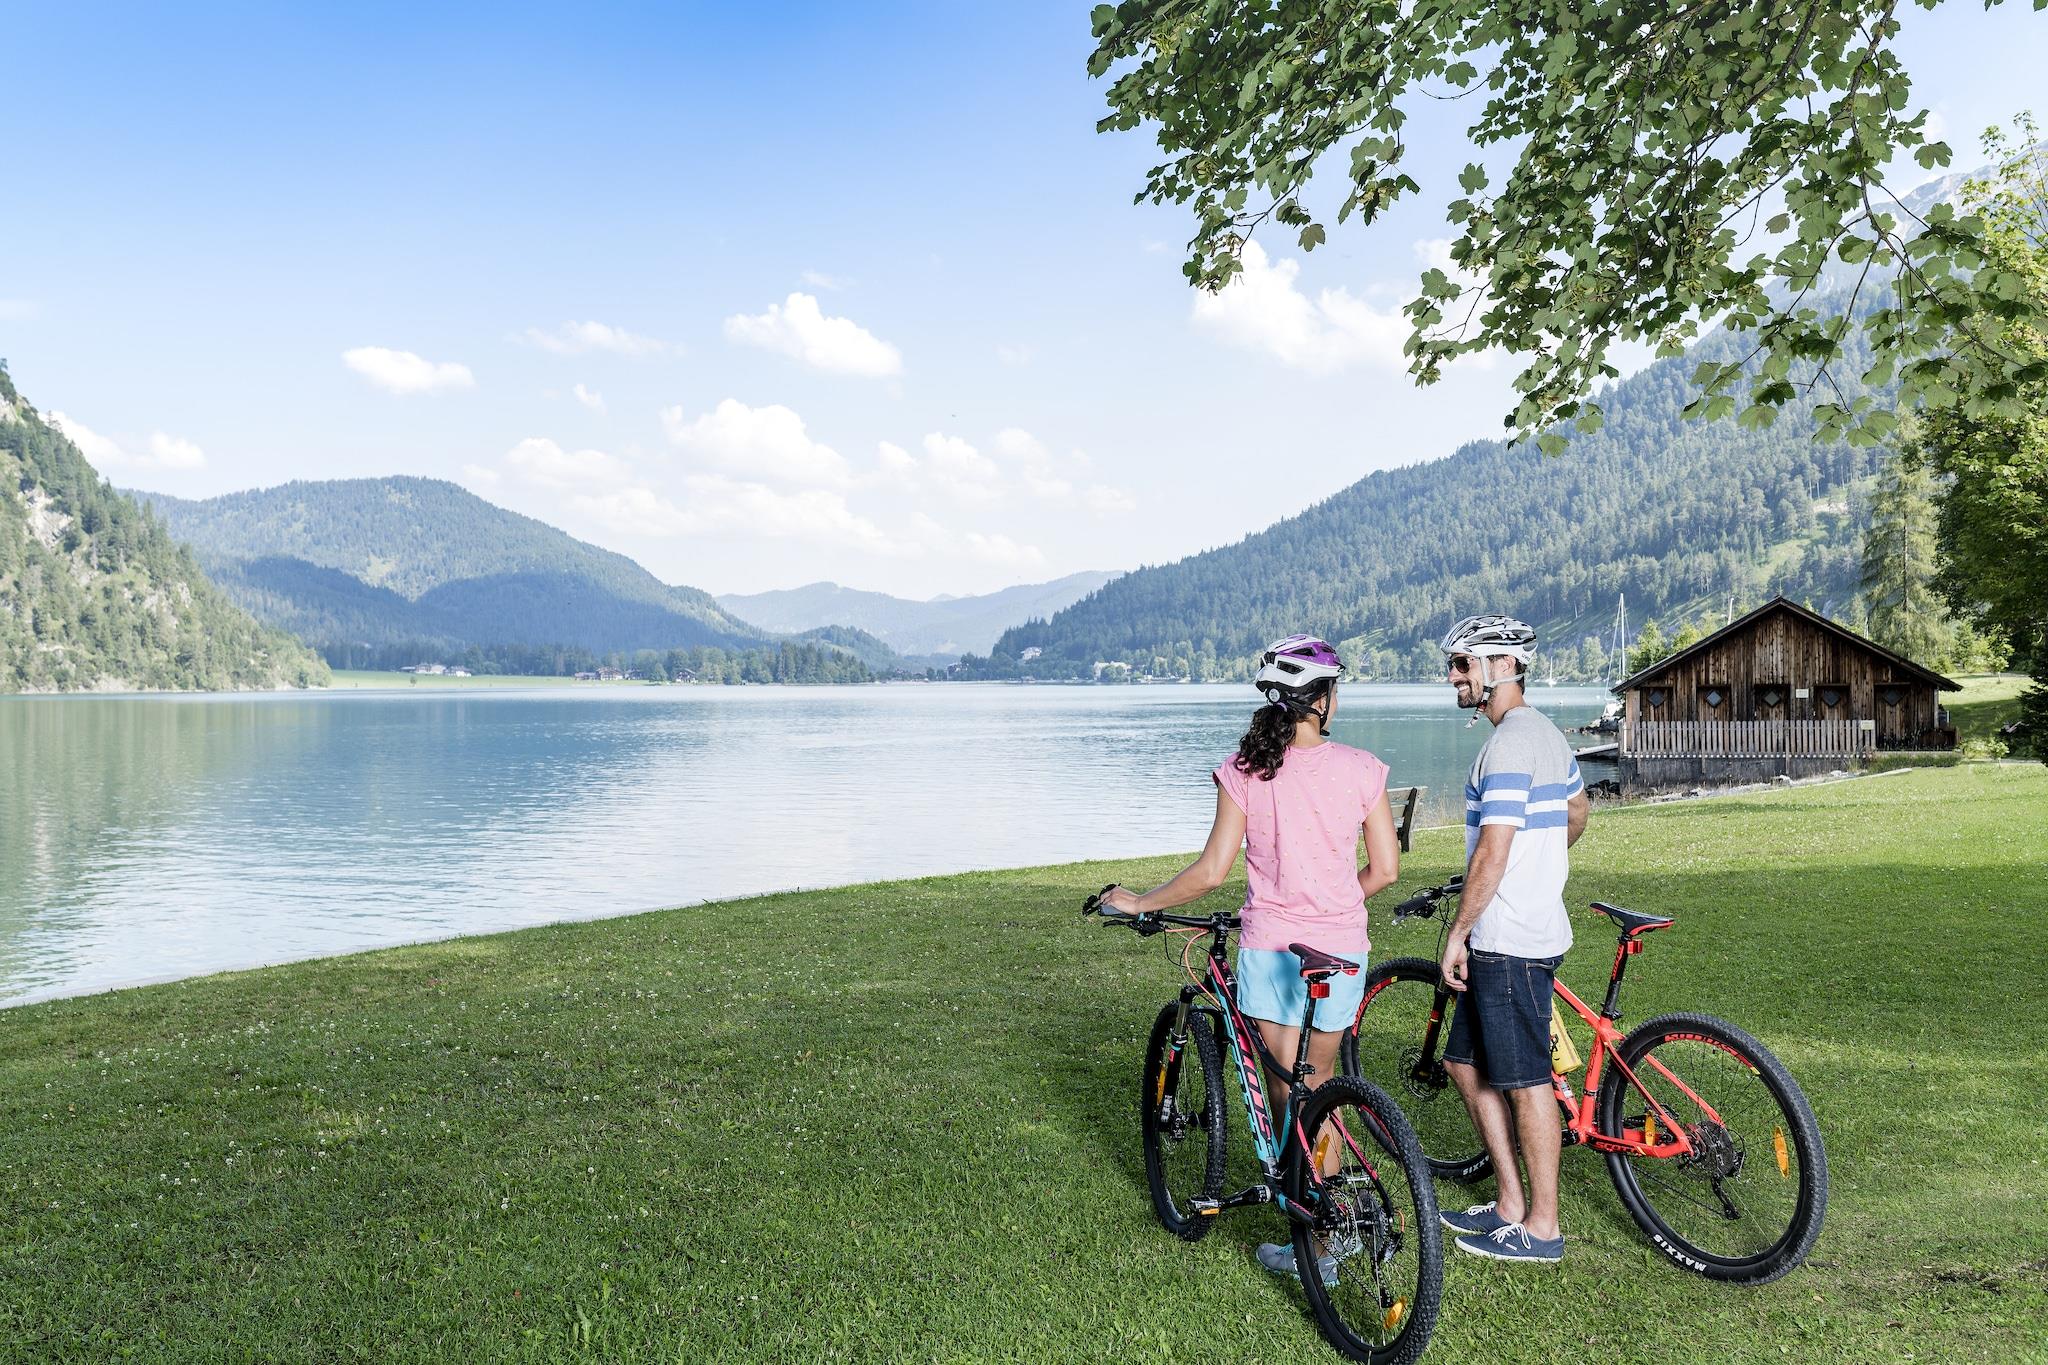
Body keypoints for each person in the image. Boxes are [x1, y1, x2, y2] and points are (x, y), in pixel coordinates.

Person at [1101, 633, 1400, 1284]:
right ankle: (1331, 1228)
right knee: (1321, 1087)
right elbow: (1385, 869)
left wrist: (1140, 901)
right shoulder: (1363, 769)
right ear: (1321, 700)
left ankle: (1315, 1234)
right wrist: (1331, 900)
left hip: (1272, 948)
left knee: (1288, 1089)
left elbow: (1212, 871)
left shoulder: (1245, 769)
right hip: (1341, 949)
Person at [1433, 614, 1589, 1264]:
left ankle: (1543, 1228)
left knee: (1526, 1082)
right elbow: (1577, 812)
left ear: (1498, 665)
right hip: (1520, 931)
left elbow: (1493, 850)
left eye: (1462, 664)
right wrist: (1540, 860)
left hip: (1510, 941)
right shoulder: (1545, 734)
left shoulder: (1506, 747)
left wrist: (1458, 930)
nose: (1453, 676)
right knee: (1464, 1064)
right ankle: (1508, 1203)